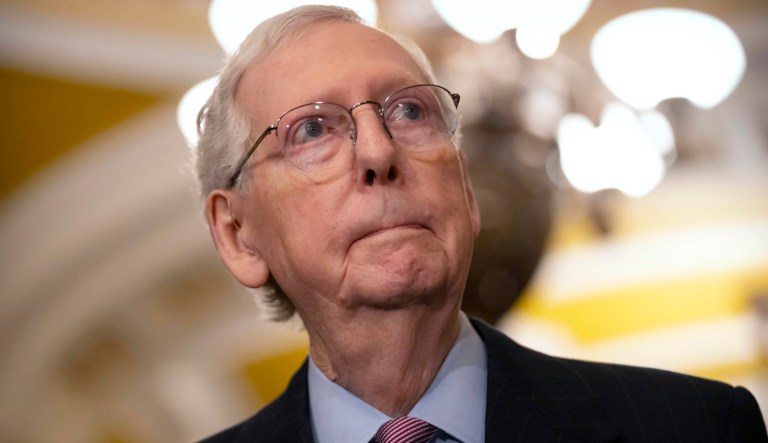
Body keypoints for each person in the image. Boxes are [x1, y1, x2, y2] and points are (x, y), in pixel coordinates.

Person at [194, 5, 767, 442]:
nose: (378, 151)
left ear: (465, 189)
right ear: (238, 234)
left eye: (410, 111)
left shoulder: (698, 427)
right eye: (313, 129)